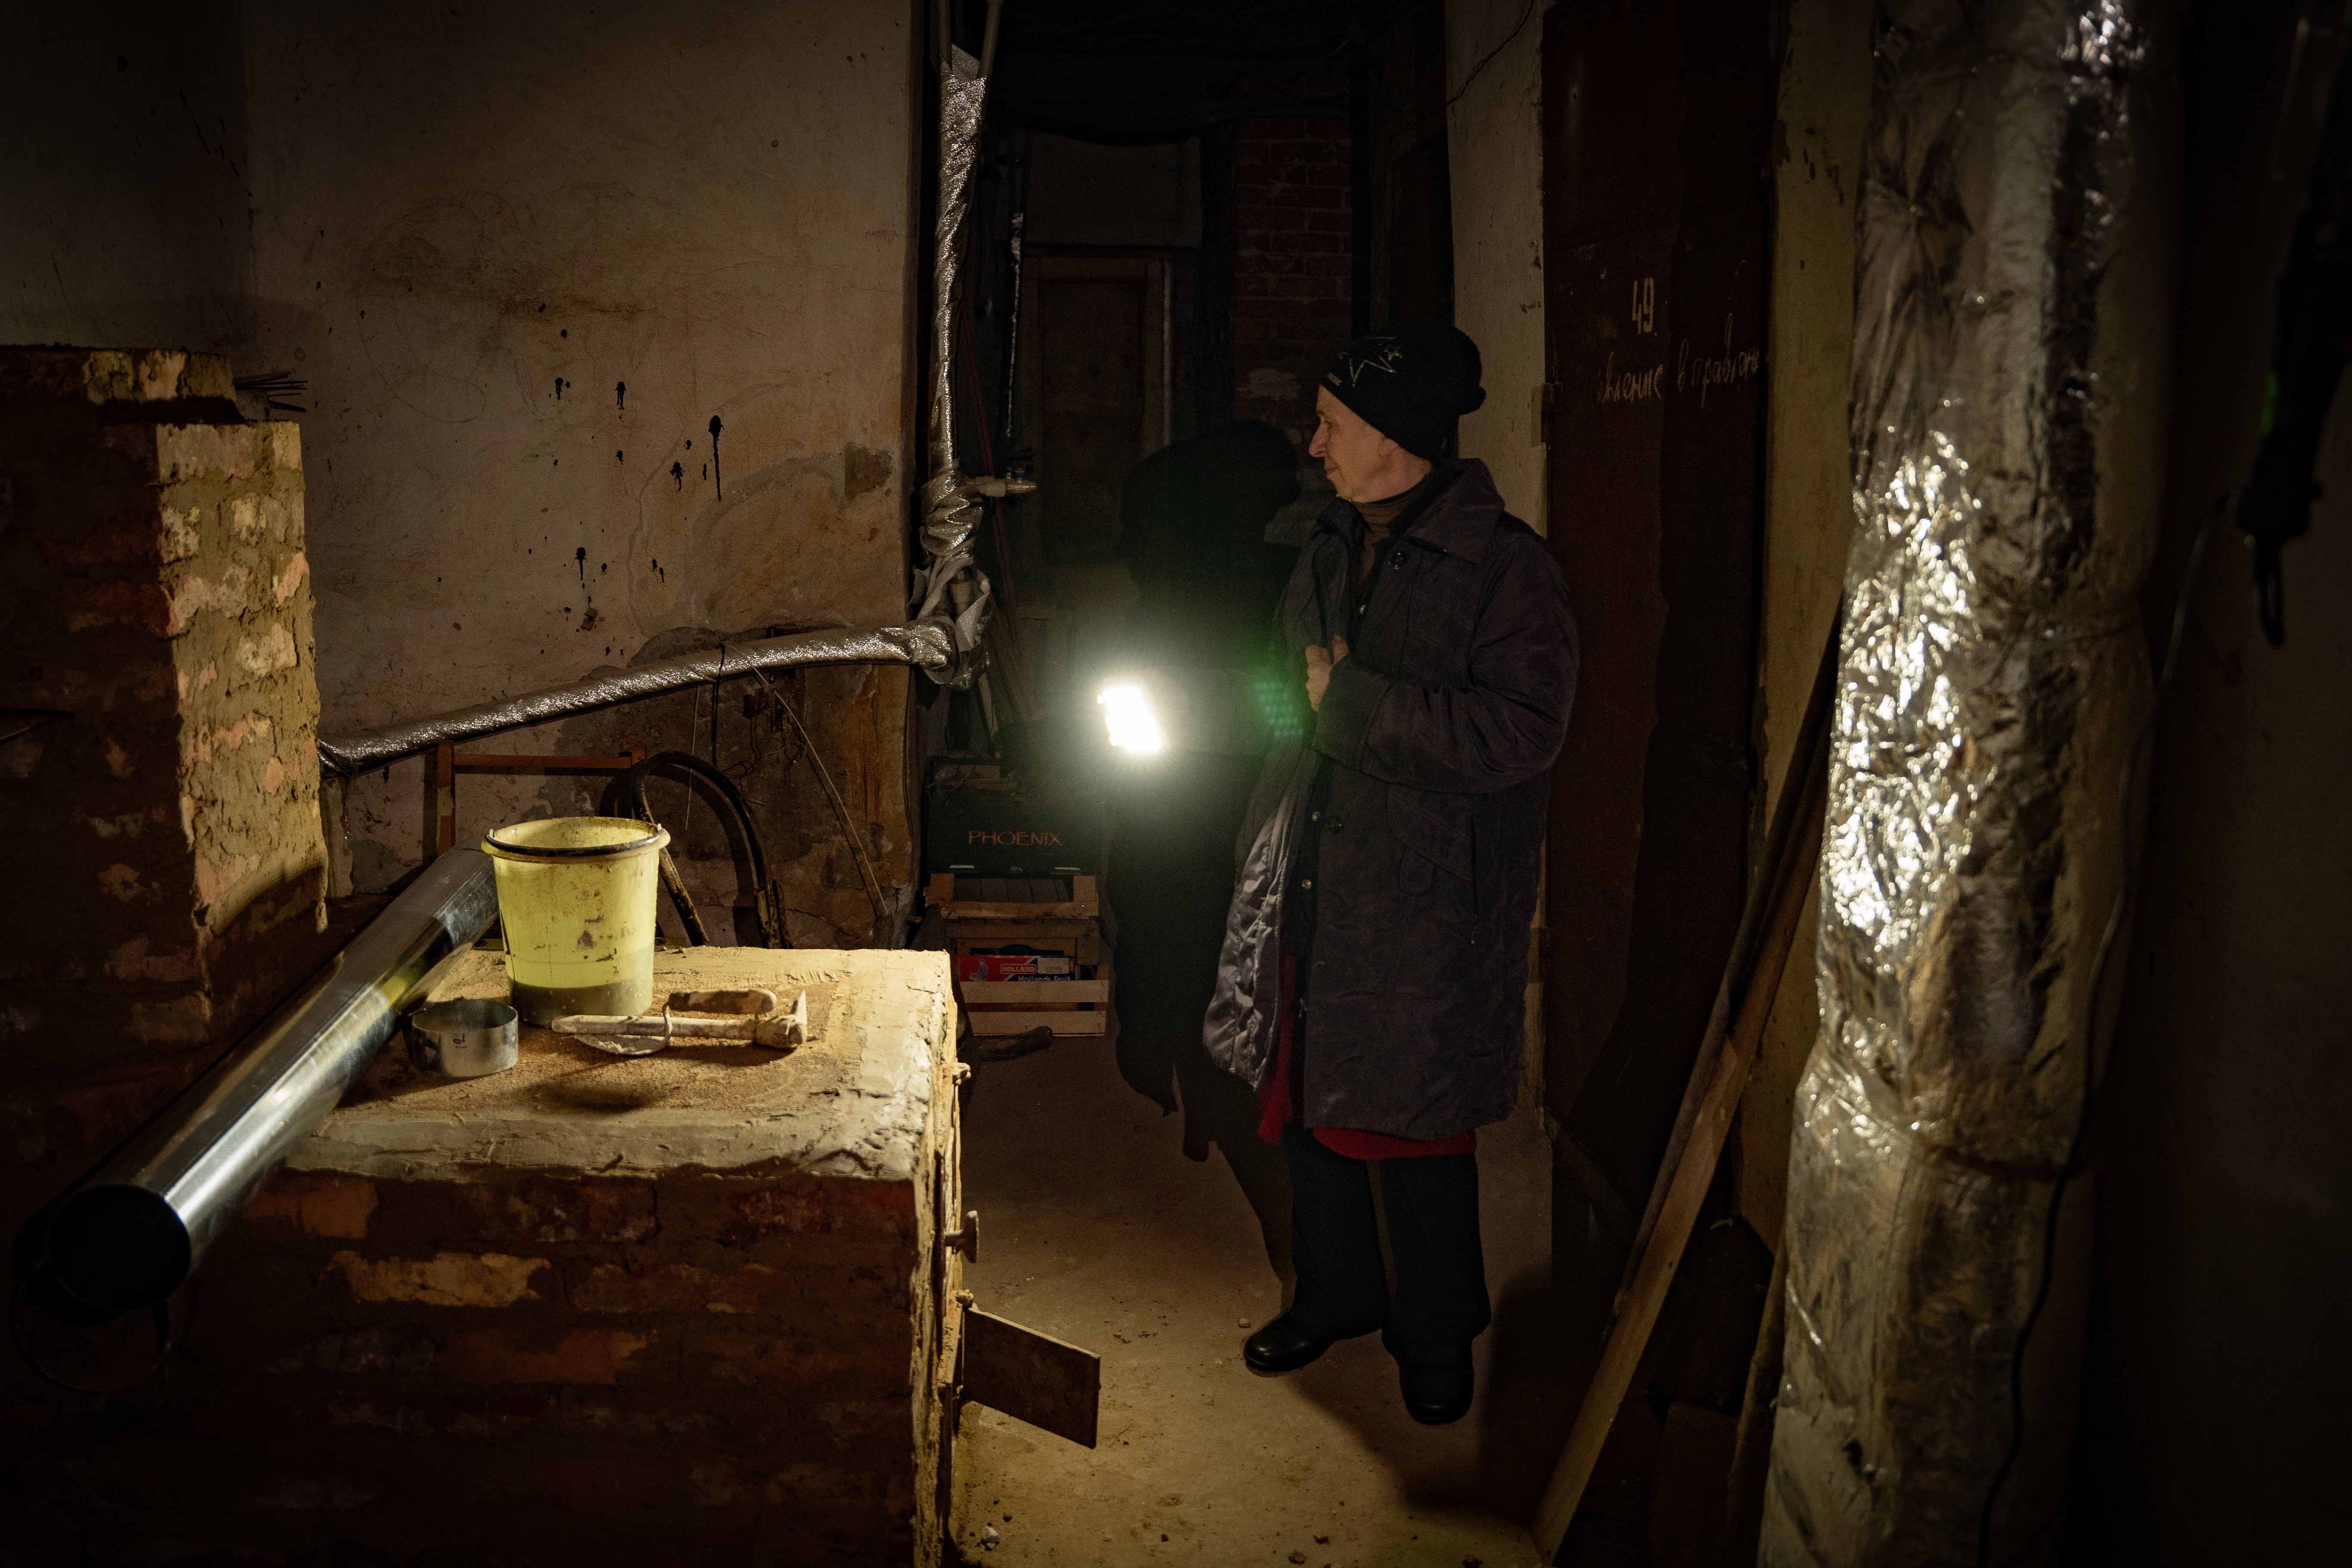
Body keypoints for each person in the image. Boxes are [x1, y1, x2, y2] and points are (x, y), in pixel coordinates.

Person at [1202, 320, 1579, 1425]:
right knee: (1311, 1101)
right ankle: (1338, 1296)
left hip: (1422, 902)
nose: (1312, 445)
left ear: (1392, 436)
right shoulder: (1329, 545)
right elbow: (1285, 688)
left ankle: (1436, 1331)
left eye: (1330, 425)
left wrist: (1351, 705)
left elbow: (1522, 731)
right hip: (1316, 868)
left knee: (1414, 1129)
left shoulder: (1505, 569)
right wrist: (1274, 799)